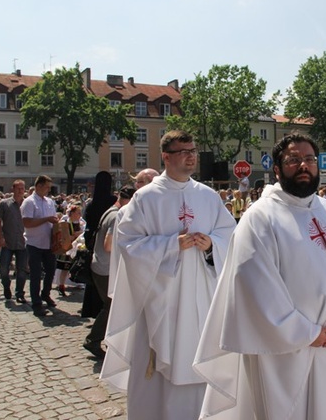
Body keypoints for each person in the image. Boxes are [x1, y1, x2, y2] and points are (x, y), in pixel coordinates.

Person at [194, 132, 326, 419]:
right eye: (294, 160)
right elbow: (255, 287)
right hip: (286, 350)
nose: (303, 165)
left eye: (309, 159)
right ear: (277, 170)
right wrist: (307, 333)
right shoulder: (260, 218)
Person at [101, 130, 235, 419]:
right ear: (165, 156)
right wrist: (169, 246)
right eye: (183, 151)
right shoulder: (146, 198)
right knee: (160, 375)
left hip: (200, 298)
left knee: (197, 362)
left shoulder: (207, 196)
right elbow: (128, 244)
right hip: (160, 299)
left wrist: (212, 244)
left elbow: (229, 235)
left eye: (193, 150)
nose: (190, 156)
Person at [83, 185, 135, 359]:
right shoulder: (116, 216)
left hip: (100, 265)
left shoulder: (109, 210)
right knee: (112, 306)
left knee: (111, 305)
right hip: (106, 268)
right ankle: (93, 340)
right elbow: (108, 245)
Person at [21, 175, 59, 317]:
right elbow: (27, 223)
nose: (49, 190)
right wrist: (46, 219)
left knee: (51, 271)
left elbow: (53, 220)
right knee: (36, 275)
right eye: (47, 187)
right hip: (34, 243)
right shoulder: (29, 202)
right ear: (38, 186)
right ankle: (36, 303)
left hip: (48, 243)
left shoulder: (49, 202)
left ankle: (45, 294)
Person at [81, 171, 116, 318]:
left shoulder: (91, 203)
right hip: (107, 242)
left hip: (93, 243)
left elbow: (86, 221)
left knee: (93, 279)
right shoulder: (112, 201)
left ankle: (91, 308)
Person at [0, 179, 28, 302]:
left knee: (22, 270)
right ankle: (6, 286)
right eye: (18, 188)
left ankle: (19, 293)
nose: (20, 191)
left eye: (22, 188)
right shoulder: (5, 203)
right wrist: (0, 236)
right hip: (7, 241)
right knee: (3, 268)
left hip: (23, 242)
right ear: (13, 189)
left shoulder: (27, 204)